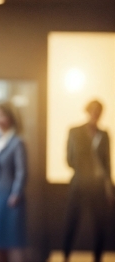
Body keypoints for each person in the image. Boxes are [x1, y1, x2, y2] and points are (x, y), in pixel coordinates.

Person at [63, 100, 112, 262]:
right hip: (80, 183)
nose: (95, 113)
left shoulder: (104, 134)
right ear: (88, 111)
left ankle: (98, 257)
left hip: (98, 185)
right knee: (72, 221)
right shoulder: (75, 131)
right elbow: (69, 158)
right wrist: (84, 169)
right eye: (93, 110)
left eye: (98, 110)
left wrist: (109, 188)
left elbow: (107, 163)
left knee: (100, 225)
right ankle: (66, 255)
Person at [0, 102, 27, 262]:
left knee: (13, 241)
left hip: (11, 198)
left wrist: (16, 193)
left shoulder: (17, 142)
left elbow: (21, 171)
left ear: (10, 118)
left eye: (1, 116)